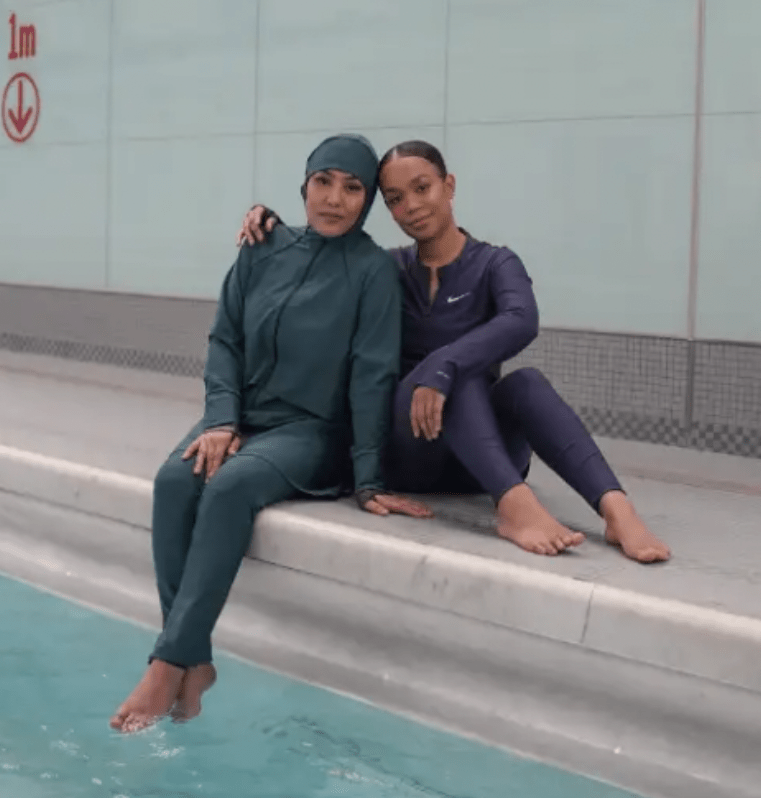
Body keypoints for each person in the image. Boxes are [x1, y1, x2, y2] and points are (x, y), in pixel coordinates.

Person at [109, 134, 432, 734]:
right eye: (323, 182)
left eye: (353, 188)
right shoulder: (262, 247)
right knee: (174, 482)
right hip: (240, 417)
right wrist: (224, 419)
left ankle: (166, 662)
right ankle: (195, 661)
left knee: (230, 488)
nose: (335, 199)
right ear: (304, 184)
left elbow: (372, 376)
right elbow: (224, 338)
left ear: (366, 202)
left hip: (312, 431)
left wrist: (367, 478)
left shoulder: (372, 273)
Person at [236, 140, 671, 564]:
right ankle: (516, 510)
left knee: (524, 383)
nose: (412, 206)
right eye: (395, 198)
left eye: (422, 188)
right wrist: (275, 230)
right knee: (458, 378)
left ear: (449, 185)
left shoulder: (495, 264)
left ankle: (616, 511)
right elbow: (323, 269)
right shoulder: (386, 270)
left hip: (484, 459)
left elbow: (522, 318)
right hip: (410, 454)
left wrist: (442, 364)